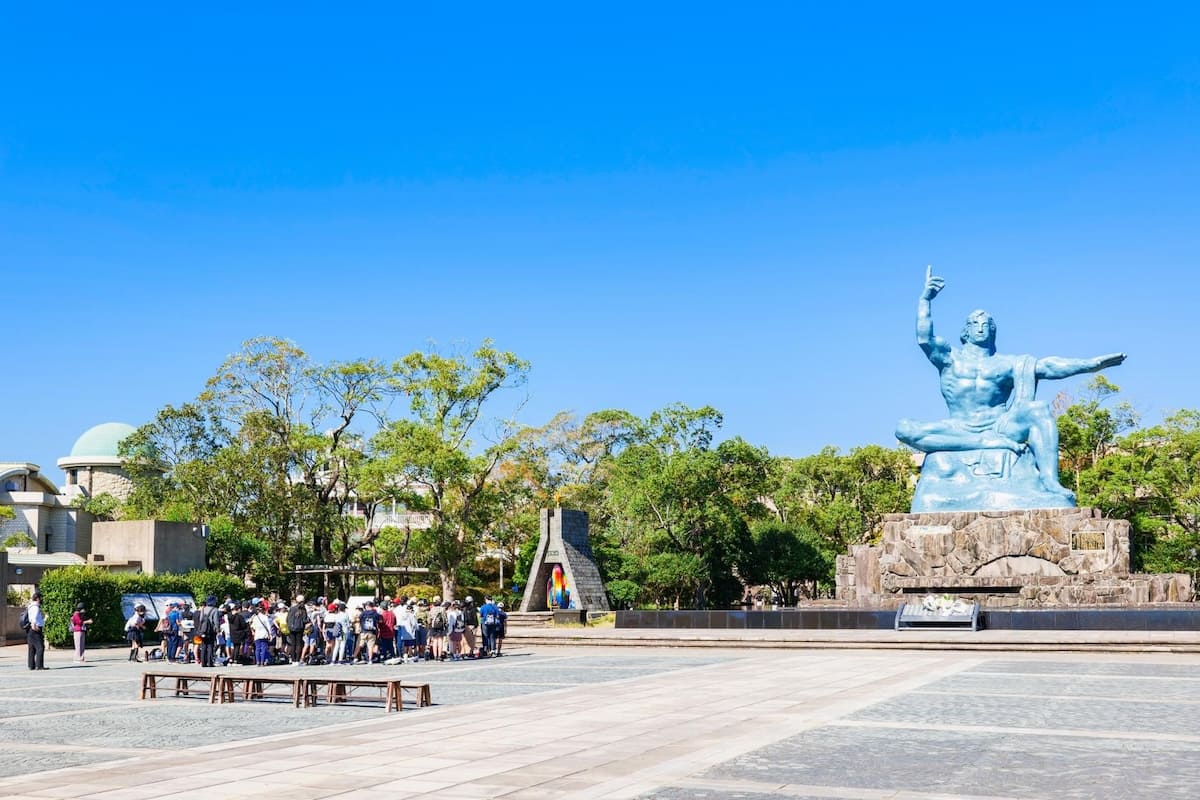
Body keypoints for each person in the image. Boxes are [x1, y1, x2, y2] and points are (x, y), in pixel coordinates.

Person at [895, 267, 1126, 502]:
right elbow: (924, 338)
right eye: (975, 323)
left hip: (999, 426)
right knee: (904, 428)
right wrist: (925, 300)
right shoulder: (949, 358)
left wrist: (1091, 364)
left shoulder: (1007, 364)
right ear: (965, 331)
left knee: (1038, 410)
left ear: (993, 331)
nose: (981, 327)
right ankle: (981, 442)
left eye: (987, 324)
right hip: (958, 427)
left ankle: (1049, 481)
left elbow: (1049, 367)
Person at [194, 596, 221, 668]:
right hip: (211, 630)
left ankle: (203, 662)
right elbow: (216, 621)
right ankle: (210, 662)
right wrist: (218, 630)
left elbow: (201, 619)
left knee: (203, 646)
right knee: (210, 646)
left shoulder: (203, 609)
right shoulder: (215, 610)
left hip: (203, 630)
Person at [27, 592, 46, 670]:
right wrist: (34, 625)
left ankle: (31, 665)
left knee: (32, 648)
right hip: (36, 629)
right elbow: (34, 618)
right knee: (40, 647)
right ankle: (39, 665)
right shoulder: (36, 607)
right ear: (38, 598)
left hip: (31, 630)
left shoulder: (30, 607)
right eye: (41, 598)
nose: (42, 599)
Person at [286, 594, 308, 662]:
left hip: (291, 628)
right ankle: (297, 659)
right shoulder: (303, 609)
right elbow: (305, 620)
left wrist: (289, 625)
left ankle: (293, 659)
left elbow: (287, 619)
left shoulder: (291, 608)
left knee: (293, 644)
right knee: (299, 644)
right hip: (299, 628)